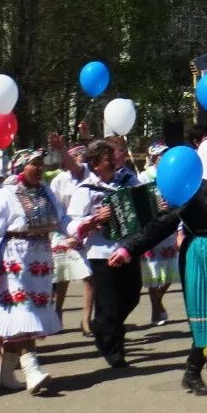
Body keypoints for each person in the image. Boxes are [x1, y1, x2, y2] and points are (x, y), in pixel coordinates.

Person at [113, 134, 207, 402]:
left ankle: (192, 372)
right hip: (200, 253)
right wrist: (128, 249)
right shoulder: (193, 188)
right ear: (206, 159)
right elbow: (164, 222)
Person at [0, 149, 61, 394]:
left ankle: (6, 373)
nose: (39, 168)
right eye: (34, 164)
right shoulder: (4, 194)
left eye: (41, 164)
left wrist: (84, 225)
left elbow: (62, 218)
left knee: (28, 314)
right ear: (20, 167)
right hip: (14, 258)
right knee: (23, 313)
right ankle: (32, 369)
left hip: (41, 258)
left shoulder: (45, 191)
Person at [65, 140, 140, 369]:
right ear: (96, 164)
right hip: (101, 252)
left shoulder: (123, 184)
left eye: (112, 158)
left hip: (126, 248)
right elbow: (71, 222)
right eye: (107, 159)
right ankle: (113, 350)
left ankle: (102, 325)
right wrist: (94, 219)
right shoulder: (85, 190)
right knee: (110, 303)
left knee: (132, 295)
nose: (113, 162)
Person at [47, 139, 92, 332]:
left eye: (82, 155)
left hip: (87, 230)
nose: (80, 158)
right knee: (61, 274)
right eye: (76, 155)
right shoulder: (59, 180)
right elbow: (55, 207)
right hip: (62, 230)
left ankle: (86, 319)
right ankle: (57, 311)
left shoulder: (89, 176)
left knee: (90, 275)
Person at [139, 142, 178, 327]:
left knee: (170, 271)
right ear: (154, 158)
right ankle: (156, 306)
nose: (164, 158)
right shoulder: (144, 177)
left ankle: (158, 300)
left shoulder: (172, 174)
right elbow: (139, 200)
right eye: (161, 155)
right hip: (151, 227)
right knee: (152, 270)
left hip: (169, 227)